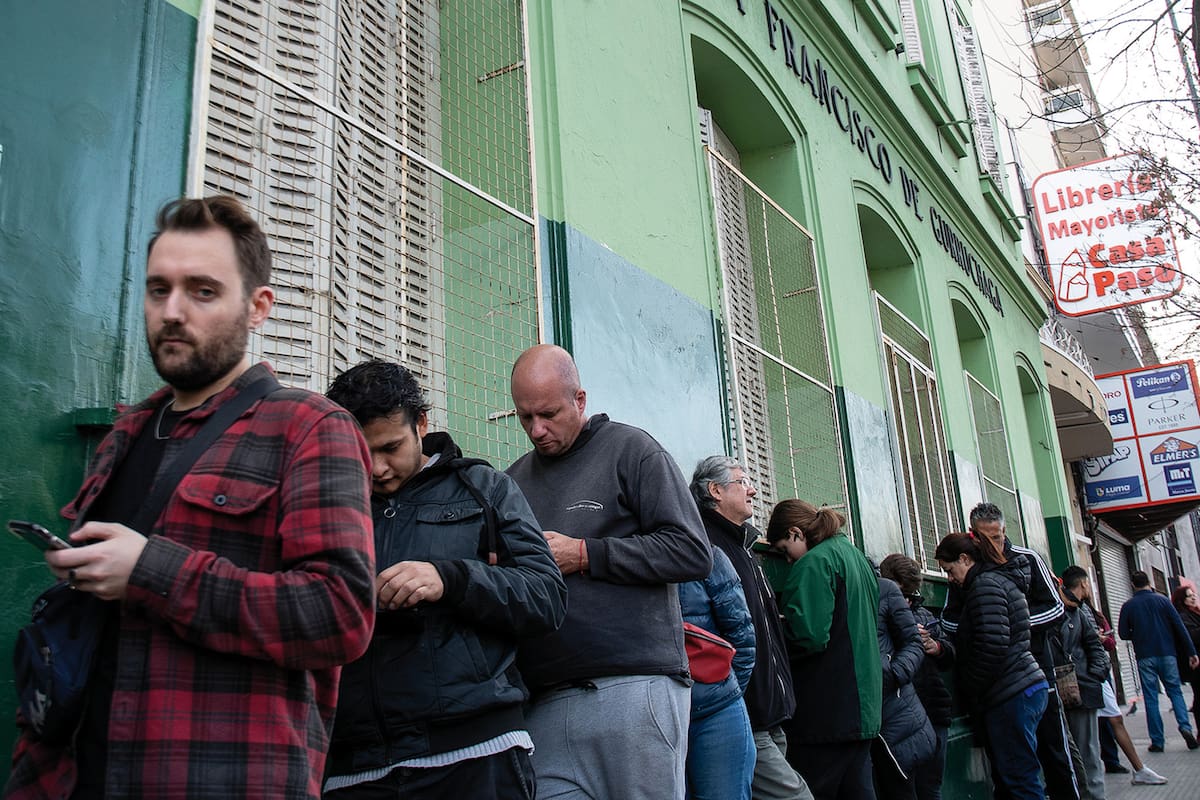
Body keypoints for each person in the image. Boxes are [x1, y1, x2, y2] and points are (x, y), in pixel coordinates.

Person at [4, 196, 378, 799]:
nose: (172, 311)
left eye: (203, 291)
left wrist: (149, 570)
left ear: (257, 307)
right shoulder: (122, 437)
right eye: (158, 290)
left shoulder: (308, 426)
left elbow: (340, 615)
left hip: (220, 776)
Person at [322, 360, 567, 797]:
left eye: (391, 447)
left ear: (421, 423)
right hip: (354, 766)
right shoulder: (328, 506)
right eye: (361, 453)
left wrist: (450, 580)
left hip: (475, 753)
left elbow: (546, 597)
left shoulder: (484, 488)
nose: (377, 468)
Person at [504, 344, 713, 800]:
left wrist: (585, 554)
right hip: (543, 702)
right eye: (524, 418)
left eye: (548, 414)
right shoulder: (513, 482)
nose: (537, 430)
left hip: (633, 687)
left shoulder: (632, 450)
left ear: (579, 400)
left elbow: (693, 552)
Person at [689, 456, 814, 800]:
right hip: (744, 714)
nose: (754, 490)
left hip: (770, 715)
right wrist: (737, 696)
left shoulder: (743, 547)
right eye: (742, 482)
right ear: (715, 491)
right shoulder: (706, 547)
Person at [941, 502, 1078, 800]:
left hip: (1031, 669)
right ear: (972, 536)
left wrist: (1011, 622)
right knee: (1010, 767)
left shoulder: (1027, 559)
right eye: (986, 537)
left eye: (998, 536)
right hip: (1003, 682)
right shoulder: (966, 574)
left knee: (1053, 750)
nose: (995, 543)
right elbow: (949, 619)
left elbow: (1056, 608)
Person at [766, 500, 881, 800]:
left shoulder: (815, 562)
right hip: (864, 706)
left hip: (827, 711)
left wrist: (774, 636)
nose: (787, 561)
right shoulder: (854, 556)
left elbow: (809, 636)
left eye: (783, 550)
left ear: (795, 533)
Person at [934, 532, 1048, 800]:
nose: (950, 579)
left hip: (1010, 692)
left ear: (965, 558)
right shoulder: (996, 581)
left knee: (1019, 780)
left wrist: (970, 685)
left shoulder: (984, 586)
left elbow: (992, 645)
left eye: (950, 570)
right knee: (1016, 777)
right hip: (1020, 686)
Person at [679, 545, 757, 800]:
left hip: (714, 713)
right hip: (654, 716)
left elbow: (743, 639)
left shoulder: (708, 555)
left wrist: (721, 693)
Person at [879, 554, 954, 800]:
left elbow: (950, 654)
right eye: (902, 596)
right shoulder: (883, 616)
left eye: (911, 596)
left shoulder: (924, 617)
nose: (907, 603)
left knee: (930, 787)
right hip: (903, 715)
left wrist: (937, 647)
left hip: (932, 710)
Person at [1117, 570, 1199, 752]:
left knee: (1151, 698)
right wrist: (1191, 652)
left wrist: (1137, 634)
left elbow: (1123, 633)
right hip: (1168, 653)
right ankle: (1185, 728)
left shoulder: (1129, 606)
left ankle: (1157, 741)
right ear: (1149, 582)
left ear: (1132, 585)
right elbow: (1179, 627)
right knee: (1175, 692)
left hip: (1145, 656)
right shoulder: (1163, 601)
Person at [872, 573, 936, 800]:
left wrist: (893, 675)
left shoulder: (885, 590)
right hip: (883, 717)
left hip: (897, 710)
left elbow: (913, 643)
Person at [1053, 567, 1110, 800]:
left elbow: (1094, 647)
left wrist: (1093, 675)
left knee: (1087, 752)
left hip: (1081, 689)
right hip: (1058, 690)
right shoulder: (1056, 611)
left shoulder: (1076, 611)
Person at [1170, 584, 1200, 735]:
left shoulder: (1194, 613)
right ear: (1182, 600)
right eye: (1190, 595)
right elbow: (1192, 636)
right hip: (1195, 663)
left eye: (1194, 594)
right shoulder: (1182, 616)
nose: (1194, 597)